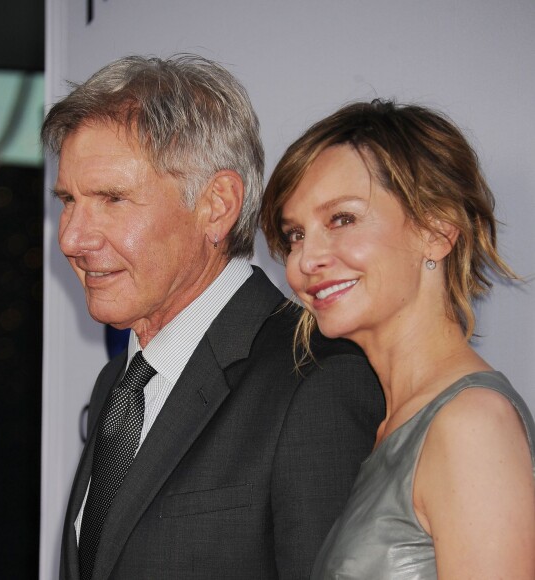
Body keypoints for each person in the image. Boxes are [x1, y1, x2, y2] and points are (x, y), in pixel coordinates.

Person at [41, 56, 384, 580]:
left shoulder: (316, 379)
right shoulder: (121, 381)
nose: (71, 239)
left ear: (217, 205)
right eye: (68, 200)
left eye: (111, 199)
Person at [261, 99, 535, 579]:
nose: (305, 260)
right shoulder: (391, 423)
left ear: (435, 230)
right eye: (295, 235)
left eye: (341, 219)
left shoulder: (470, 425)